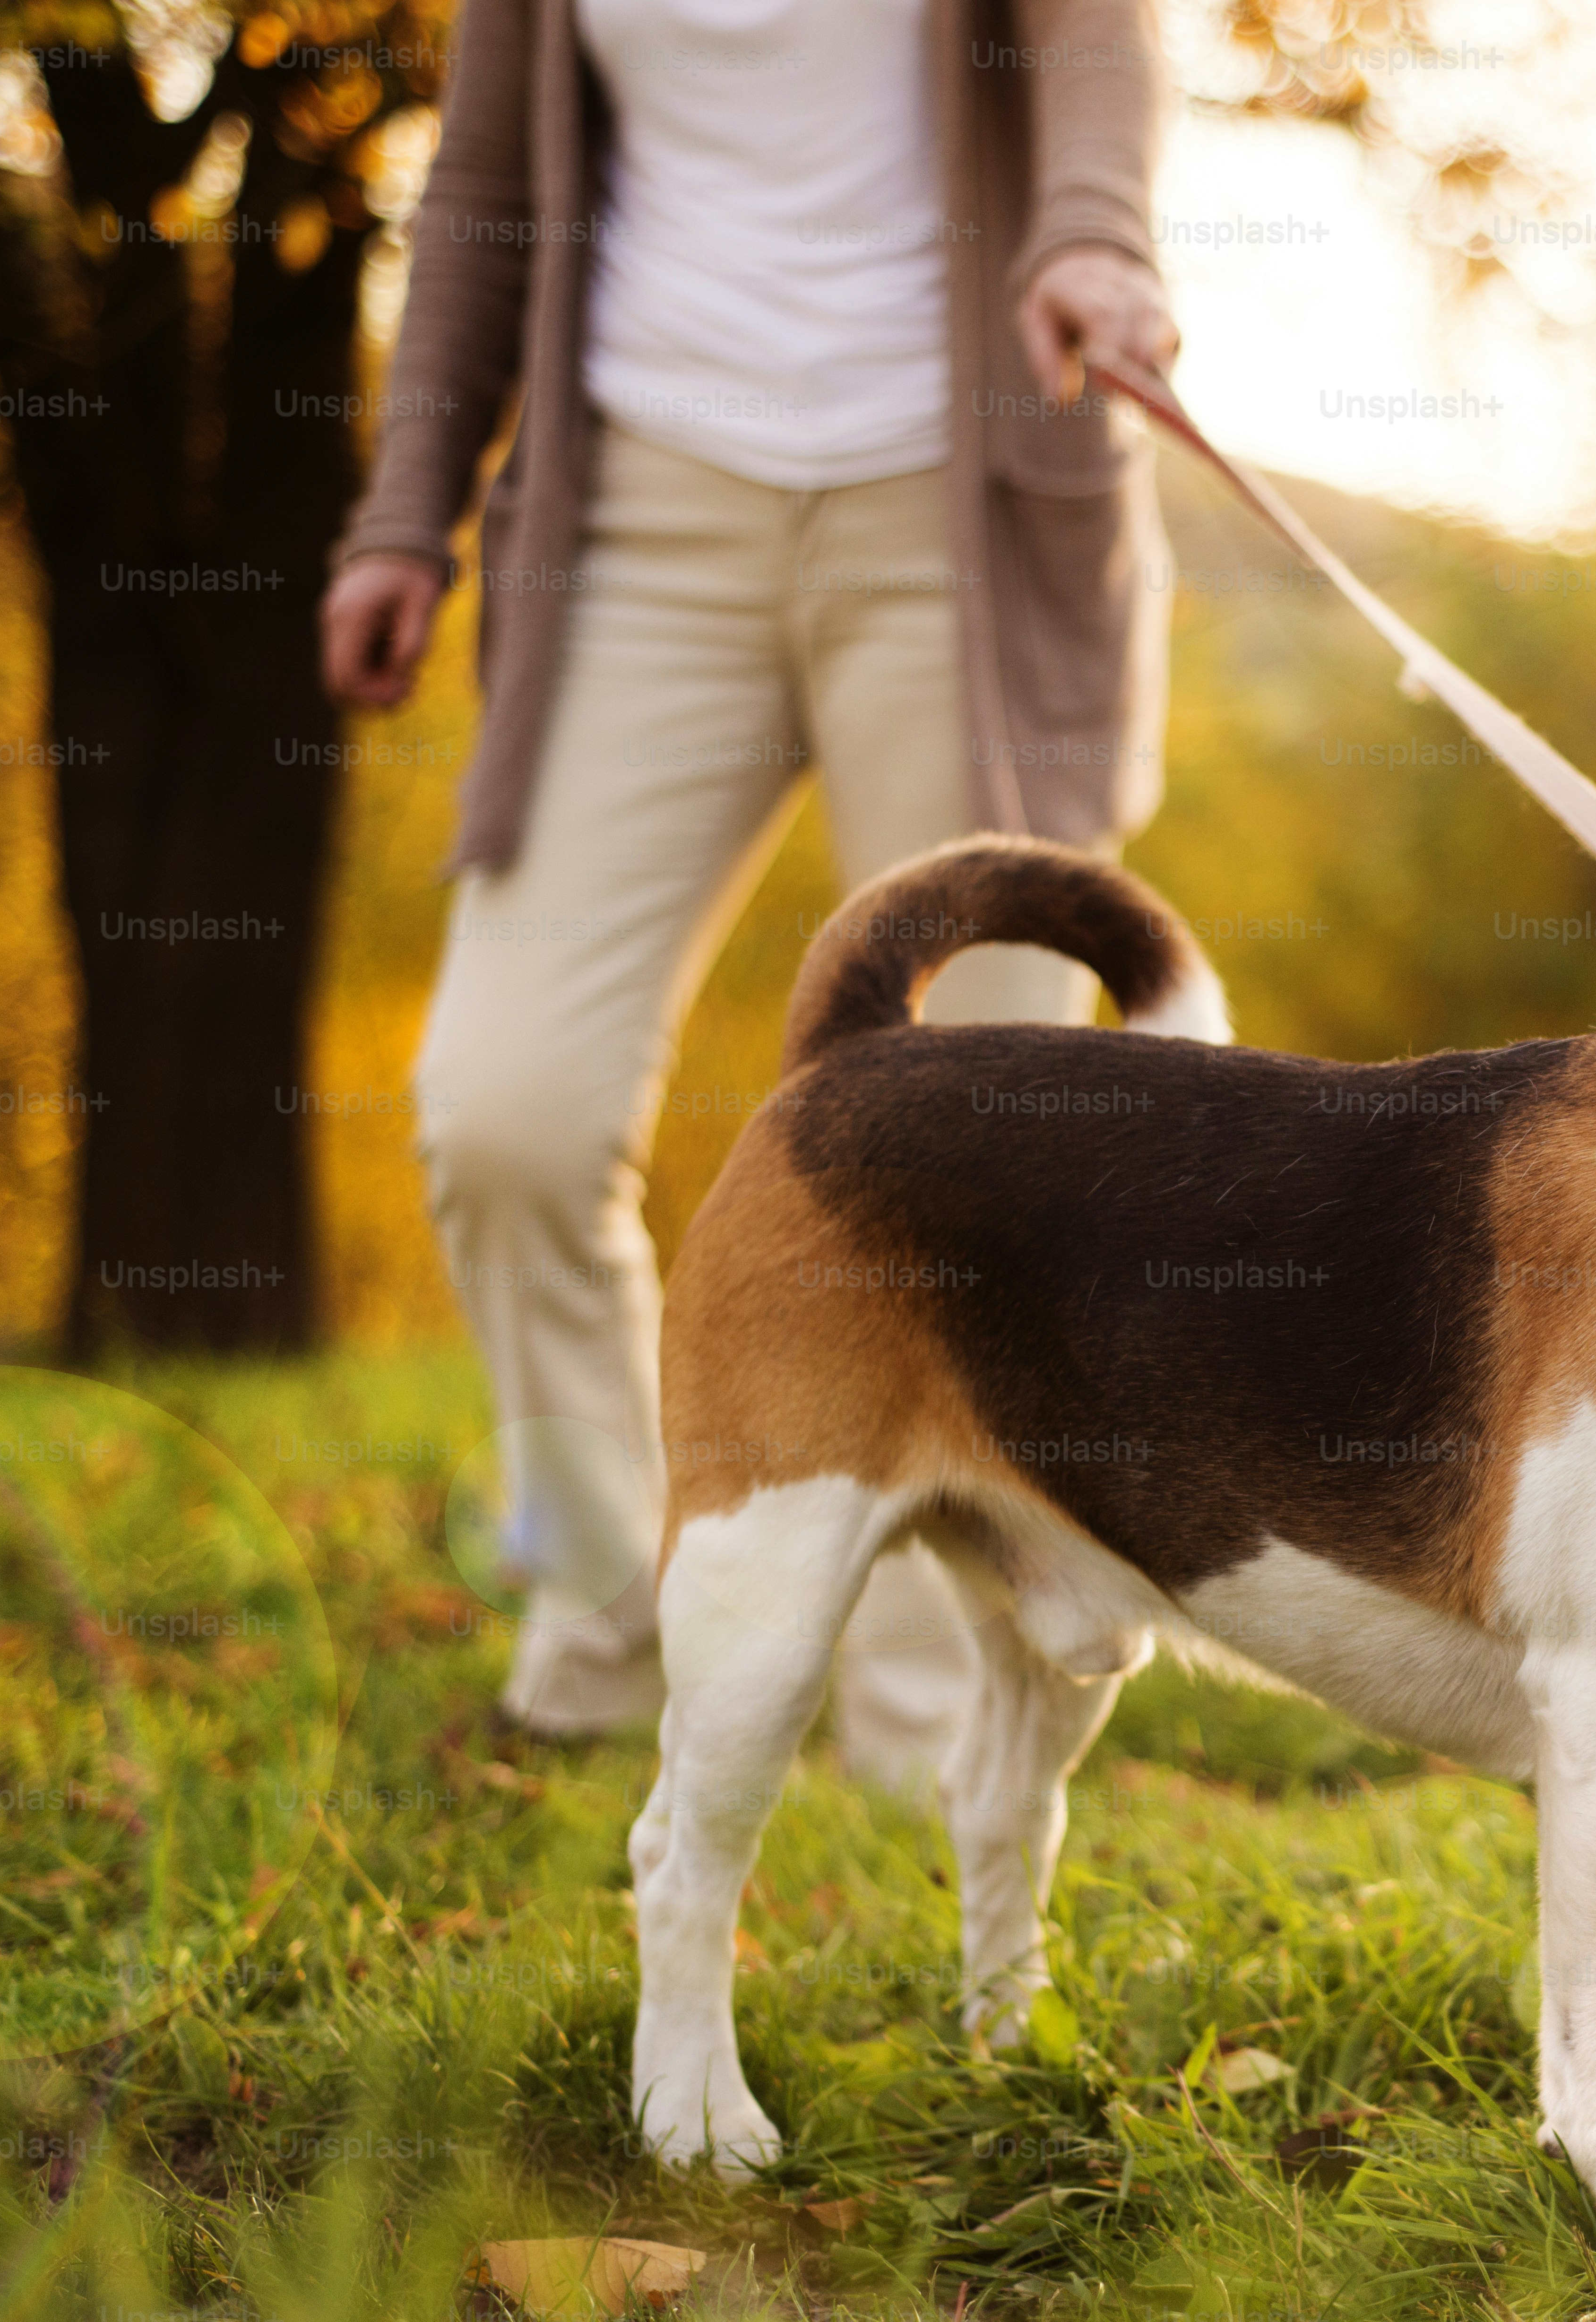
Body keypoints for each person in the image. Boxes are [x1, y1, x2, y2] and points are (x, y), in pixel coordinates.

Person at [319, 0, 1178, 1785]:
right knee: (507, 1116)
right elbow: (479, 189)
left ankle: (924, 1724)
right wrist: (405, 512)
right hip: (639, 522)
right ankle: (624, 1604)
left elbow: (1095, 36)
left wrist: (1094, 225)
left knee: (978, 1153)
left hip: (958, 511)